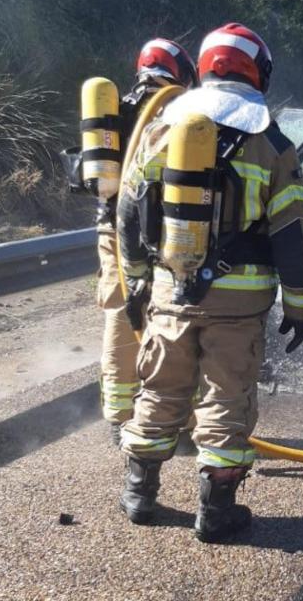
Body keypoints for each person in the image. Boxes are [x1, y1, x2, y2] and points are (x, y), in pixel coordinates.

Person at [116, 23, 303, 542]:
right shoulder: (272, 143)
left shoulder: (164, 126)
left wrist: (137, 281)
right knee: (227, 398)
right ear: (259, 73)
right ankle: (216, 512)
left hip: (169, 290)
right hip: (239, 301)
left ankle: (140, 495)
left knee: (159, 389)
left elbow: (131, 211)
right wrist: (301, 307)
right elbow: (291, 232)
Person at [62, 39, 197, 445]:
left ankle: (121, 418)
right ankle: (180, 420)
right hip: (166, 234)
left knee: (121, 315)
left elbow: (92, 181)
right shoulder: (183, 114)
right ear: (183, 73)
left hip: (113, 232)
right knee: (175, 320)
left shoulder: (113, 112)